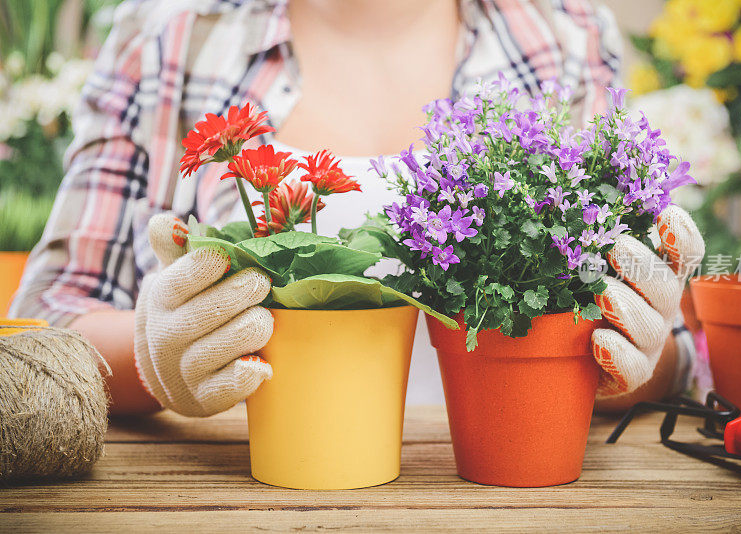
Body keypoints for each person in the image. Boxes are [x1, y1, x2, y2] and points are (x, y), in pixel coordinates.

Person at [10, 0, 703, 416]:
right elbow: (46, 324)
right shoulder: (170, 31)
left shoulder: (568, 34)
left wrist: (639, 356)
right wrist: (153, 357)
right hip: (239, 495)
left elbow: (671, 352)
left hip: (506, 494)